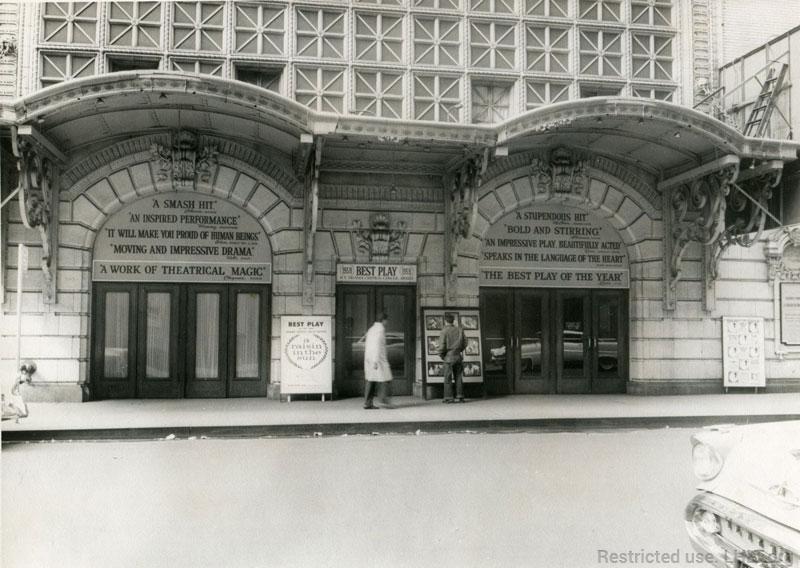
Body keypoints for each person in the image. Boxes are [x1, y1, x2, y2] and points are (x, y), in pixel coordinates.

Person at [363, 312, 393, 409]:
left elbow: (368, 344)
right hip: (378, 359)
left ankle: (368, 403)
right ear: (383, 320)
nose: (387, 322)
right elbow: (376, 345)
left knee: (371, 380)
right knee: (386, 379)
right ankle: (383, 401)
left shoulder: (371, 329)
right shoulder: (380, 330)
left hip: (370, 358)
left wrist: (369, 359)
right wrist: (375, 361)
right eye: (386, 320)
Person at [437, 313, 466, 403]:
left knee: (448, 378)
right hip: (458, 356)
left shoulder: (444, 331)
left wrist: (442, 355)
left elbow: (442, 346)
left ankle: (449, 397)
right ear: (453, 320)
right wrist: (459, 350)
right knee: (458, 377)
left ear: (445, 321)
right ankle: (460, 396)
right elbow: (465, 343)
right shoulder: (460, 330)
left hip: (448, 357)